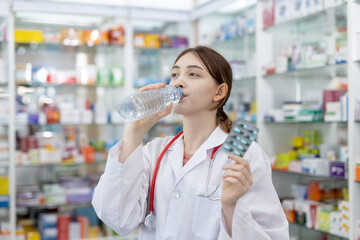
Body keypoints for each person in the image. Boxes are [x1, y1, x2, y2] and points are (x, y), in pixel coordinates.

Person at [92, 46, 289, 239]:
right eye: (175, 74)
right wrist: (134, 133)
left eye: (193, 74)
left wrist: (231, 208)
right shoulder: (156, 151)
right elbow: (117, 218)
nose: (178, 82)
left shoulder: (244, 154)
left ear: (219, 92)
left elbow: (272, 236)